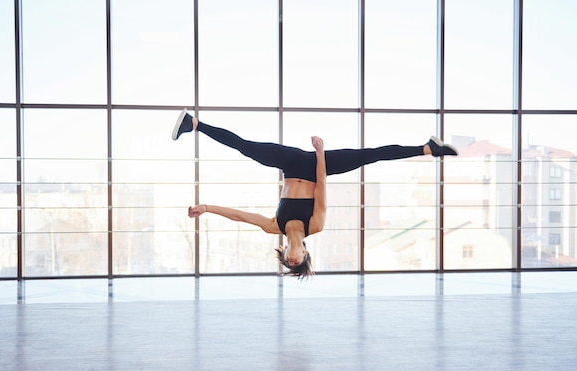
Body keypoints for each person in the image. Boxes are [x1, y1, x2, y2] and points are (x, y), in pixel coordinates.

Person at [172, 109, 458, 279]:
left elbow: (238, 216)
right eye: (297, 262)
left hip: (291, 165)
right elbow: (321, 186)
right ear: (305, 252)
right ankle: (429, 149)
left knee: (246, 147)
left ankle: (193, 123)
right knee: (371, 155)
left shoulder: (275, 226)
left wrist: (206, 207)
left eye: (288, 262)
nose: (291, 260)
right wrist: (320, 153)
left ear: (285, 253)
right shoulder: (315, 225)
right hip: (317, 167)